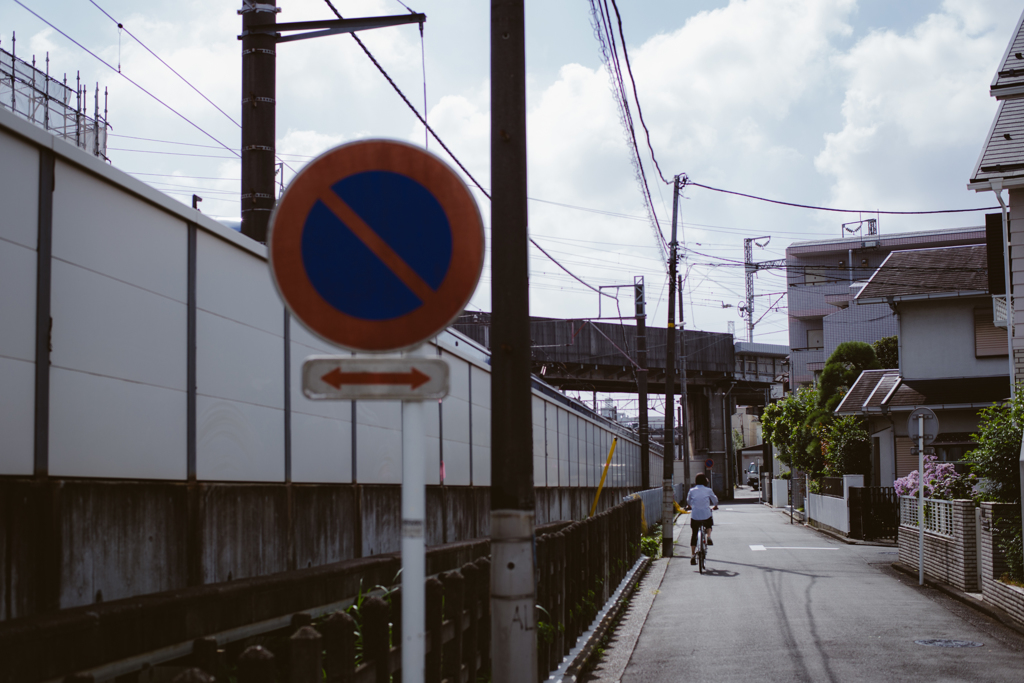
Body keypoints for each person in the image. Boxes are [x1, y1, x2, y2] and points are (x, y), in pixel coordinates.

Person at [685, 474, 719, 565]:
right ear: (705, 481)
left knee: (694, 534)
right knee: (708, 523)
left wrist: (689, 506)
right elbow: (715, 500)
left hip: (695, 516)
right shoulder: (708, 490)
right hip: (706, 514)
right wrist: (715, 506)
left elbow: (688, 501)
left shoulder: (691, 490)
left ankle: (692, 555)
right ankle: (708, 536)